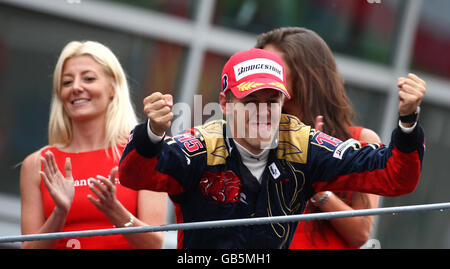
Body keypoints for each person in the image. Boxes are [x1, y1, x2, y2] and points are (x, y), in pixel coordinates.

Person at [118, 48, 426, 249]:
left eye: (271, 101)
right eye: (250, 102)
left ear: (283, 103)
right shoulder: (201, 146)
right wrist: (152, 133)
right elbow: (135, 175)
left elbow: (394, 176)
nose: (263, 111)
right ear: (225, 103)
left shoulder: (304, 145)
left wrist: (408, 122)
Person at [20, 41, 166, 249]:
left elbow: (154, 245)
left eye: (88, 78)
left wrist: (114, 210)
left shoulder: (144, 153)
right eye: (67, 82)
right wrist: (59, 213)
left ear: (113, 88)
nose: (77, 87)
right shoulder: (37, 164)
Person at [256, 26, 383, 248]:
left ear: (305, 73)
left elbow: (361, 232)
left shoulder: (359, 139)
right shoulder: (256, 135)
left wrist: (319, 186)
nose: (264, 75)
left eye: (274, 67)